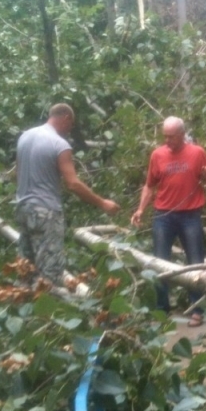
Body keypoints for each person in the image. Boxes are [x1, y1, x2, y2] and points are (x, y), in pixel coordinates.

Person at [15, 103, 120, 286]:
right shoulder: (59, 144)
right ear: (66, 118)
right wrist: (103, 203)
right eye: (71, 125)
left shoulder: (25, 137)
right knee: (49, 273)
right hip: (46, 213)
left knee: (26, 268)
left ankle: (23, 309)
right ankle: (46, 312)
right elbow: (73, 184)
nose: (69, 130)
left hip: (23, 208)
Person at [131, 116, 206, 326]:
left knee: (195, 262)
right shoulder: (157, 155)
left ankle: (198, 309)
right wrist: (140, 209)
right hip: (163, 216)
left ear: (182, 134)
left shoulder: (198, 153)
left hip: (190, 215)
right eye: (165, 136)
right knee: (160, 262)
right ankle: (162, 309)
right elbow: (149, 185)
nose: (167, 141)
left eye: (171, 137)